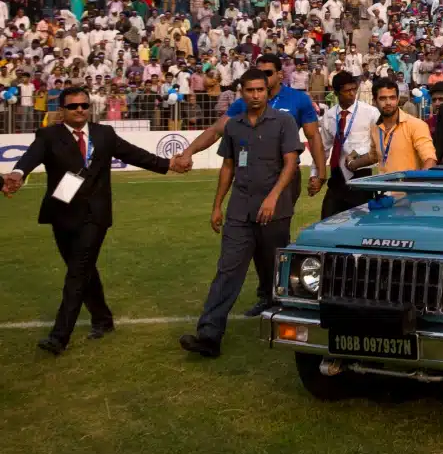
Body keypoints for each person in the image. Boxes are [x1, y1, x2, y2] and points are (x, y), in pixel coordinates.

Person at [2, 86, 189, 355]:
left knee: (77, 272)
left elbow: (134, 154)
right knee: (83, 269)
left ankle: (59, 337)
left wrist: (168, 164)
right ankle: (102, 319)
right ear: (62, 110)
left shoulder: (104, 134)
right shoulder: (49, 135)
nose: (80, 110)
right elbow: (31, 157)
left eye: (84, 105)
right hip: (62, 211)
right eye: (73, 106)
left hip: (95, 215)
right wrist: (18, 173)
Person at [177, 53, 326, 317]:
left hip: (283, 179)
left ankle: (277, 295)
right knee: (254, 240)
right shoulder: (242, 105)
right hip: (247, 185)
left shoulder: (297, 100)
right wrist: (189, 151)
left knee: (273, 239)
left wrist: (320, 172)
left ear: (279, 74)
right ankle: (264, 295)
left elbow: (313, 136)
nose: (261, 84)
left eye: (268, 74)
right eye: (258, 76)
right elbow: (216, 131)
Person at [179, 69, 303, 358]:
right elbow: (228, 167)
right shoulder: (233, 126)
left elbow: (291, 164)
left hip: (274, 212)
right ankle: (209, 336)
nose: (256, 95)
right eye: (250, 90)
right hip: (239, 211)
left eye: (261, 90)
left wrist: (273, 197)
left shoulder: (284, 121)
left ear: (267, 91)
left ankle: (292, 329)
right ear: (242, 93)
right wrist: (217, 205)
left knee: (276, 272)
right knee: (227, 270)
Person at [319, 70, 380, 218]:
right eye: (347, 91)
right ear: (336, 93)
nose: (352, 94)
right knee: (327, 221)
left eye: (354, 89)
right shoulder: (329, 116)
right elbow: (323, 148)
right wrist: (316, 174)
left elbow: (379, 143)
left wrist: (358, 152)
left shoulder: (371, 113)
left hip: (361, 177)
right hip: (337, 178)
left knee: (360, 225)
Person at [347, 79, 437, 174]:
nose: (388, 102)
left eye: (392, 98)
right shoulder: (375, 128)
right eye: (383, 98)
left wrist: (420, 180)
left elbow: (430, 159)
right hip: (382, 183)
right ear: (374, 101)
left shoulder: (416, 125)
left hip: (408, 183)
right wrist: (353, 163)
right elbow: (374, 156)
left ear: (398, 99)